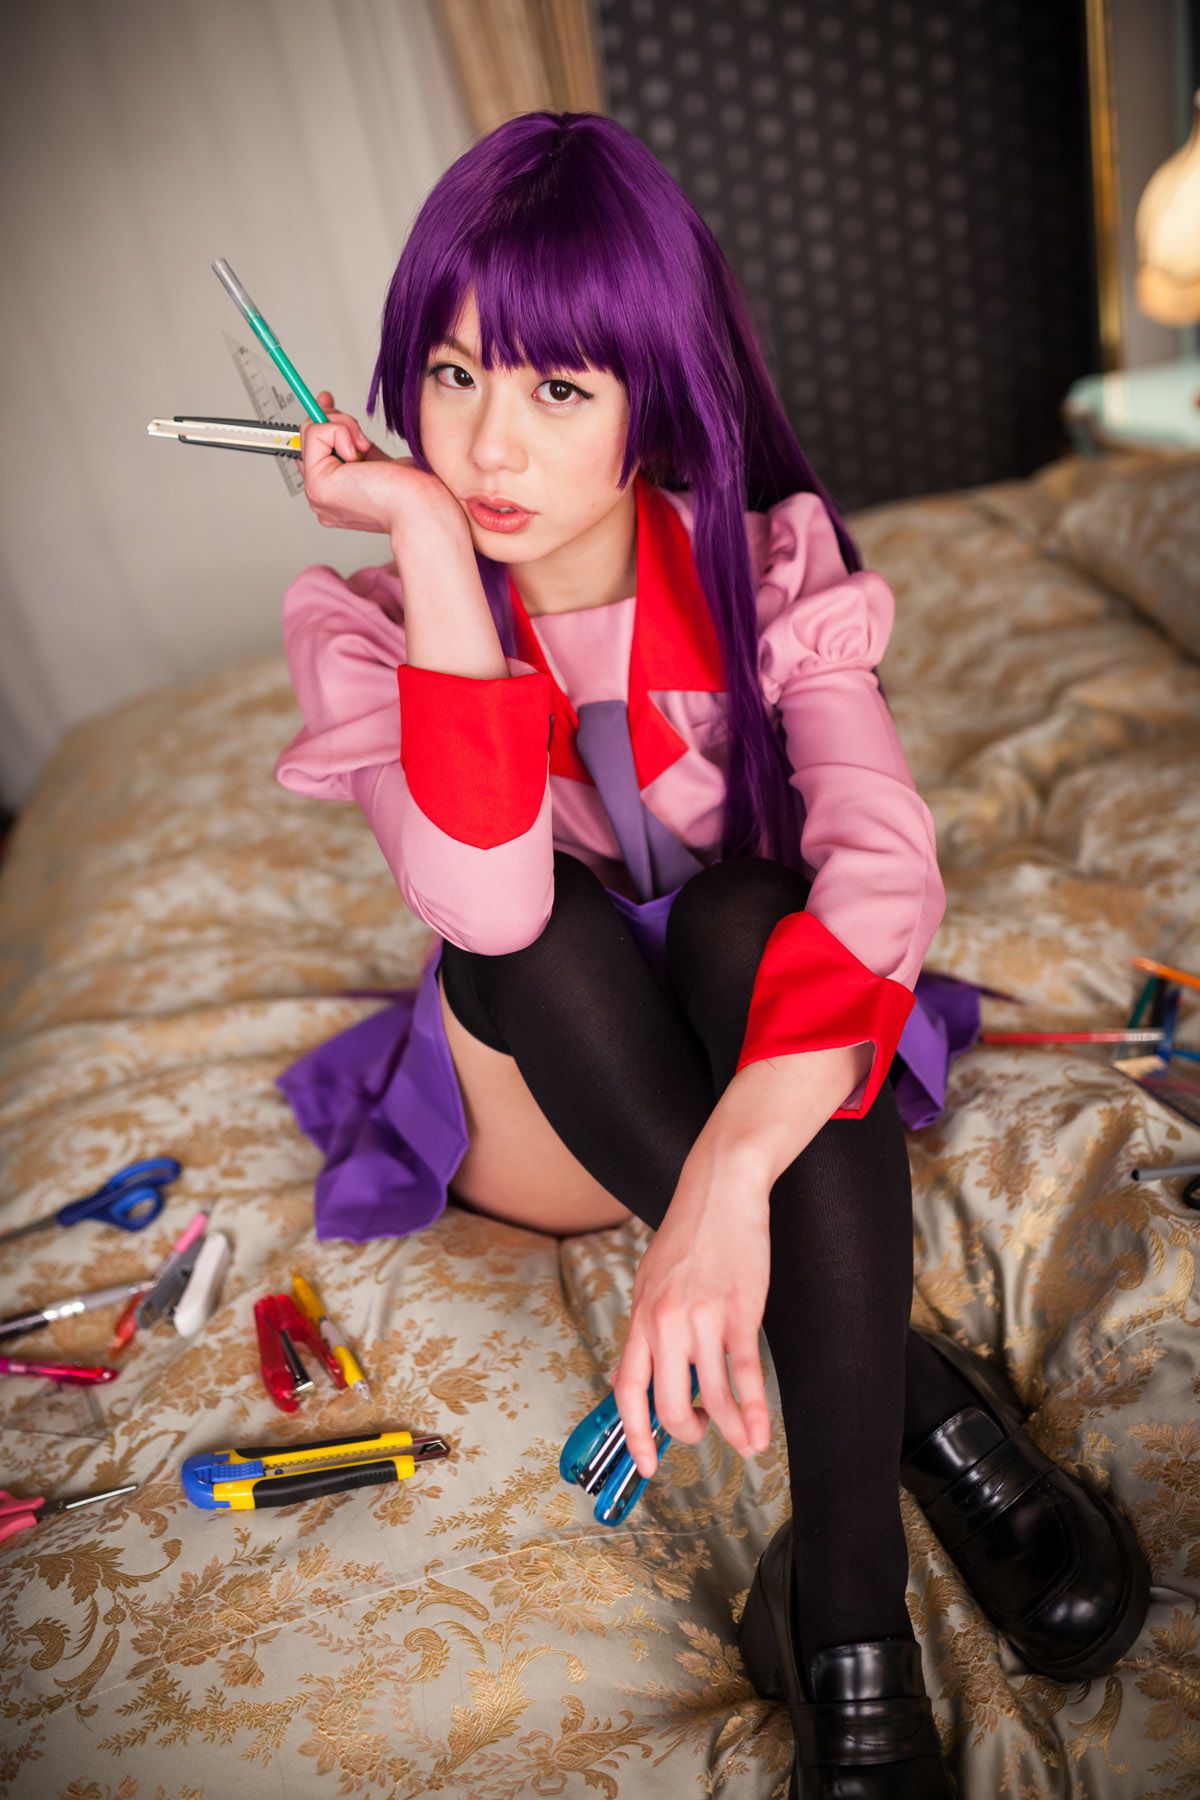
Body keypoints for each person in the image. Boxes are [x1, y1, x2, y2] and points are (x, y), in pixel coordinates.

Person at [272, 111, 1149, 1799]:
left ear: (653, 398)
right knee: (546, 928)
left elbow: (883, 868)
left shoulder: (762, 566)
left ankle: (846, 1619)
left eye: (557, 388)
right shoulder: (370, 623)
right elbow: (489, 908)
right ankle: (922, 1398)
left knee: (759, 906)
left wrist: (739, 1165)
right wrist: (434, 557)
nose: (486, 444)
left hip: (757, 1063)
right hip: (545, 1103)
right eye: (450, 375)